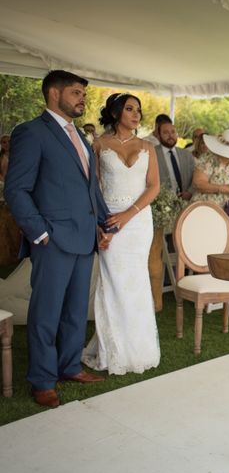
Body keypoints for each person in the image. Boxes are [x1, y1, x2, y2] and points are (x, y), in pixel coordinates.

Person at [4, 70, 111, 408]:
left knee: (77, 310)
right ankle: (42, 379)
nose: (83, 99)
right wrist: (40, 232)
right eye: (77, 93)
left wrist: (104, 223)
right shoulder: (31, 133)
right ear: (54, 93)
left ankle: (68, 366)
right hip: (52, 239)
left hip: (84, 237)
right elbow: (16, 189)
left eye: (83, 94)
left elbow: (89, 186)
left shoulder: (79, 135)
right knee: (46, 313)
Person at [82, 92, 161, 375]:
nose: (136, 114)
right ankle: (111, 349)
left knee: (137, 281)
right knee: (112, 283)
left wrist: (128, 215)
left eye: (138, 110)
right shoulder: (99, 145)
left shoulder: (148, 146)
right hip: (109, 221)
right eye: (129, 109)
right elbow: (95, 190)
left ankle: (140, 348)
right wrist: (101, 225)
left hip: (138, 222)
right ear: (116, 113)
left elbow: (153, 186)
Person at [191, 129, 229, 252]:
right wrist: (221, 188)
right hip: (209, 210)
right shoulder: (208, 158)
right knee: (210, 248)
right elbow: (197, 183)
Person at [155, 122, 195, 201]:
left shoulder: (187, 154)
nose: (170, 135)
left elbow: (195, 176)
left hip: (185, 202)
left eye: (173, 132)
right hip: (161, 203)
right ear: (158, 136)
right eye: (166, 132)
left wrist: (190, 192)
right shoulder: (152, 154)